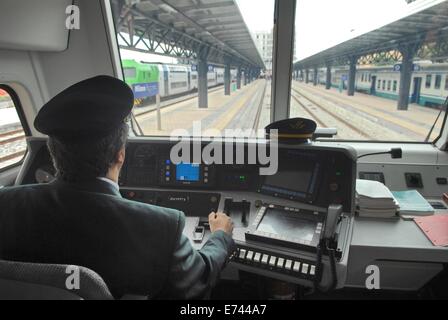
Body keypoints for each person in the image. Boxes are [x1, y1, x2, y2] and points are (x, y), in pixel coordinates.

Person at [0, 75, 235, 299]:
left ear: (53, 155)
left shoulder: (6, 204)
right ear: (121, 155)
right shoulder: (162, 227)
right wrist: (220, 236)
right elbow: (198, 280)